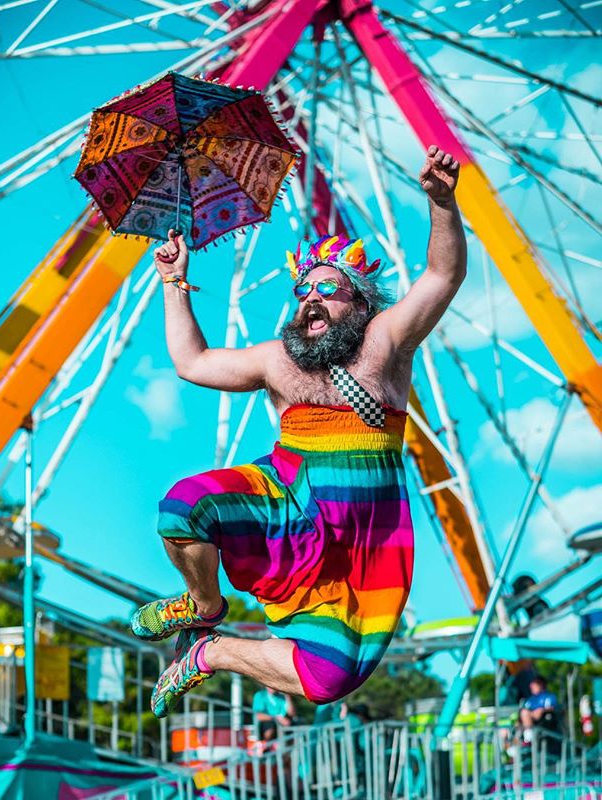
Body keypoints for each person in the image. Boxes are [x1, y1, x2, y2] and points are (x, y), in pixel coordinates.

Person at [130, 145, 467, 718]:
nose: (311, 298)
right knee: (183, 508)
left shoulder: (383, 344)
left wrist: (441, 203)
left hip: (361, 539)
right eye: (303, 290)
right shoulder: (276, 361)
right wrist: (173, 281)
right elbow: (192, 361)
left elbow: (442, 274)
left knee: (329, 677)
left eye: (328, 290)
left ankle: (213, 653)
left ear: (359, 302)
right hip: (286, 505)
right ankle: (205, 605)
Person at [519, 675, 558, 742]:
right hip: (529, 720)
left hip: (545, 720)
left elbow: (554, 708)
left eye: (534, 684)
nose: (532, 687)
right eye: (532, 685)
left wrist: (542, 710)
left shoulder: (549, 696)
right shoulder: (530, 700)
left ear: (541, 685)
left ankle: (528, 738)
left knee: (525, 713)